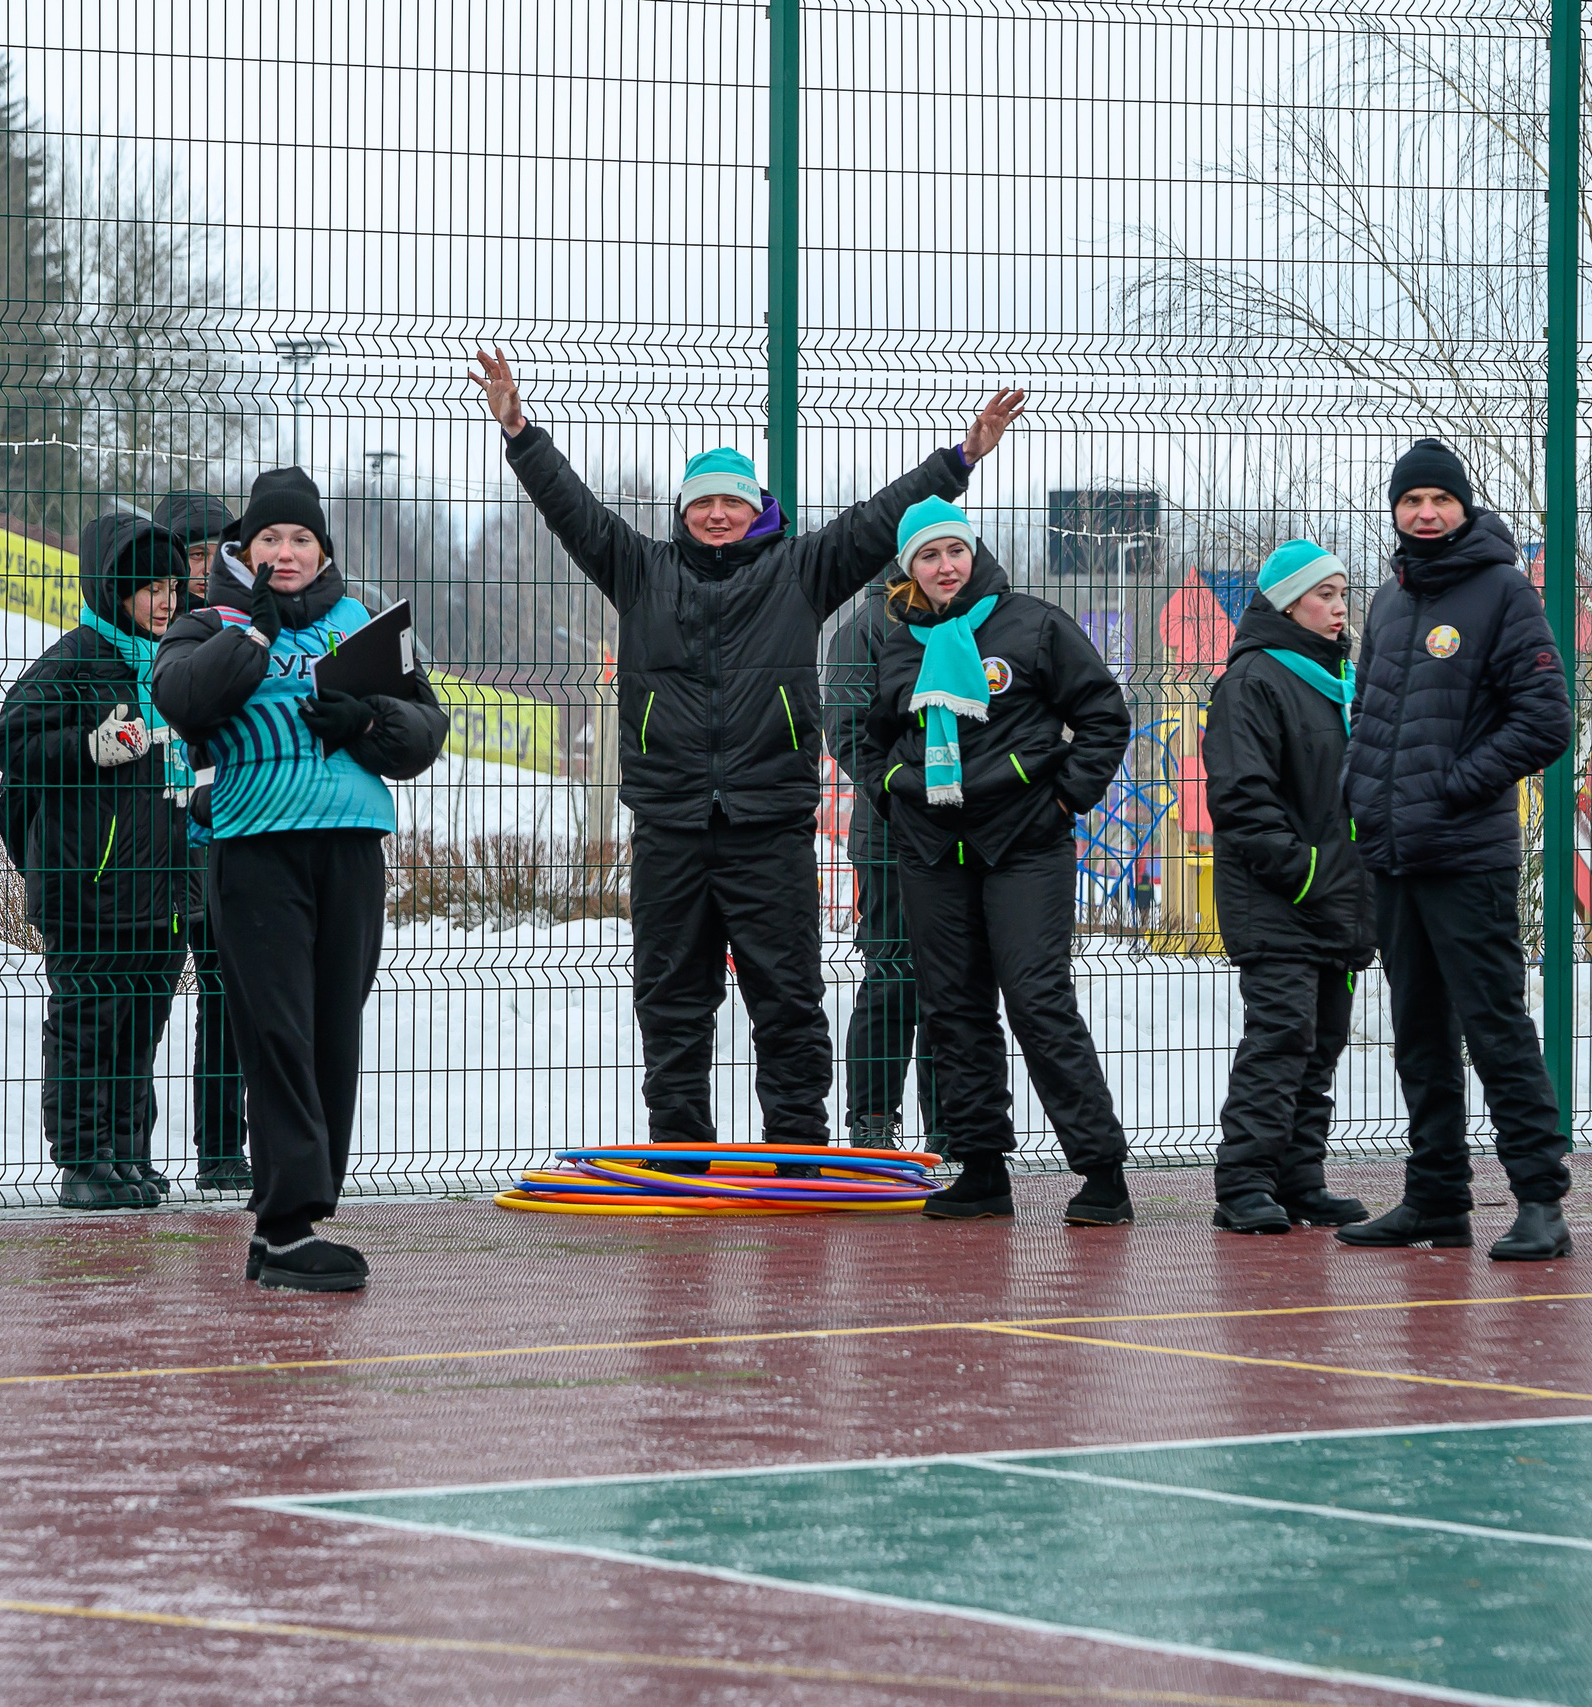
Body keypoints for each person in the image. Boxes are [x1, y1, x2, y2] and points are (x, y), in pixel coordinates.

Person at [471, 349, 1024, 1164]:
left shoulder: (801, 570)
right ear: (684, 512)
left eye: (733, 500)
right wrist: (519, 429)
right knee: (671, 994)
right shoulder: (640, 569)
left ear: (757, 508)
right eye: (704, 502)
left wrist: (961, 457)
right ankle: (679, 1148)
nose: (718, 514)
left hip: (769, 824)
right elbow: (572, 510)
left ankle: (797, 1146)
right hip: (671, 824)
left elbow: (881, 519)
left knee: (789, 994)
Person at [155, 466, 451, 1291]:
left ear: (323, 550)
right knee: (276, 1031)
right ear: (243, 550)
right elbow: (183, 698)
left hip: (351, 848)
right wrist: (251, 632)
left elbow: (426, 732)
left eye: (301, 539)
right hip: (255, 848)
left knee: (331, 1031)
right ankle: (283, 1224)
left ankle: (300, 1219)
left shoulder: (361, 627)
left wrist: (368, 717)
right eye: (270, 539)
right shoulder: (206, 619)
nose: (285, 552)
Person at [855, 500, 1133, 1223]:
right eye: (928, 555)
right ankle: (981, 1168)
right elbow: (871, 734)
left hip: (1024, 843)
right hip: (931, 850)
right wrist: (891, 789)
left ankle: (1101, 1170)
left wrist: (1063, 797)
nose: (945, 566)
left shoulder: (1032, 624)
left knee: (1038, 1001)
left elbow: (1105, 712)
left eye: (955, 550)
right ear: (909, 567)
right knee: (952, 1007)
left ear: (973, 552)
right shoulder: (899, 642)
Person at [1337, 440, 1574, 1261]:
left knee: (1494, 1024)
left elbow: (1546, 719)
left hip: (1467, 856)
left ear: (1464, 507)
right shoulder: (1388, 601)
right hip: (1395, 855)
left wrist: (1454, 784)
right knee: (1419, 1032)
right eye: (1411, 501)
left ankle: (1540, 1199)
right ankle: (1436, 1197)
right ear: (1395, 513)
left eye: (1440, 499)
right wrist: (1359, 792)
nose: (1425, 513)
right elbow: (1366, 711)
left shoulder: (1503, 591)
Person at [0, 514, 198, 1211]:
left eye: (172, 586)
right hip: (91, 887)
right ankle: (82, 1159)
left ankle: (128, 1154)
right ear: (115, 589)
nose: (166, 600)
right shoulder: (75, 659)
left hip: (163, 889)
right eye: (150, 588)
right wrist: (88, 746)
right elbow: (11, 741)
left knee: (140, 1027)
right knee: (86, 1026)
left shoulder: (175, 661)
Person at [1201, 541, 1375, 1234]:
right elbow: (1242, 796)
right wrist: (1304, 871)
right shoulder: (1253, 679)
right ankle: (1243, 1180)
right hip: (1279, 896)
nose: (1339, 608)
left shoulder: (1340, 682)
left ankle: (1301, 1177)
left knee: (1322, 1040)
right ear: (1287, 601)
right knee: (1280, 1036)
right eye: (1325, 595)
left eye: (1342, 594)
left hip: (1337, 896)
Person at [152, 487, 251, 1188]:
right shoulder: (153, 627)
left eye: (219, 551)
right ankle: (128, 1154)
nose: (205, 565)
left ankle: (222, 1152)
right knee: (144, 999)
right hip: (156, 849)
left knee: (227, 998)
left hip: (221, 840)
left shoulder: (237, 629)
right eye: (192, 553)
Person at [823, 572, 938, 1152]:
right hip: (891, 832)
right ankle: (872, 1122)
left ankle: (953, 1124)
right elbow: (846, 733)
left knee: (954, 981)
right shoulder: (865, 629)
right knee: (892, 974)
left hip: (966, 833)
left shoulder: (969, 620)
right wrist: (903, 792)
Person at [155, 489, 237, 612]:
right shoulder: (149, 623)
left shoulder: (254, 620)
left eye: (222, 555)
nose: (211, 570)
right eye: (197, 554)